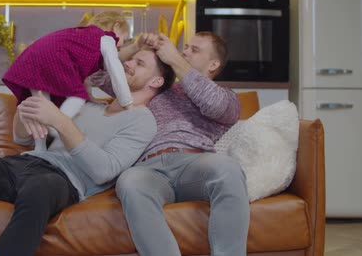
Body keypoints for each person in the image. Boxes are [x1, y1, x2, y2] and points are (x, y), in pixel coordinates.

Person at [0, 48, 176, 256]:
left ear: (156, 81)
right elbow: (21, 137)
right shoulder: (89, 105)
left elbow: (104, 171)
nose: (128, 63)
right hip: (23, 164)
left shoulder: (142, 120)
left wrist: (60, 121)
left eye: (139, 63)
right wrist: (28, 107)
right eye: (130, 59)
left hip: (64, 180)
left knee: (40, 187)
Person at [92, 32, 247, 256]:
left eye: (195, 50)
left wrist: (175, 59)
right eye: (184, 47)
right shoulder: (157, 88)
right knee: (129, 181)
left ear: (214, 64)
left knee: (228, 169)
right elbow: (97, 75)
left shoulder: (225, 96)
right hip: (149, 168)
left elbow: (215, 105)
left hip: (194, 164)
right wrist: (136, 48)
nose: (184, 51)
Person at [2, 11, 134, 151]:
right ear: (116, 26)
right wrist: (127, 102)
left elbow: (82, 75)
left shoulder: (82, 36)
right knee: (76, 97)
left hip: (34, 56)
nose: (119, 48)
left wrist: (91, 97)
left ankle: (40, 149)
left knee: (41, 105)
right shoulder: (107, 39)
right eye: (123, 41)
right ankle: (56, 126)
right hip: (53, 58)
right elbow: (116, 70)